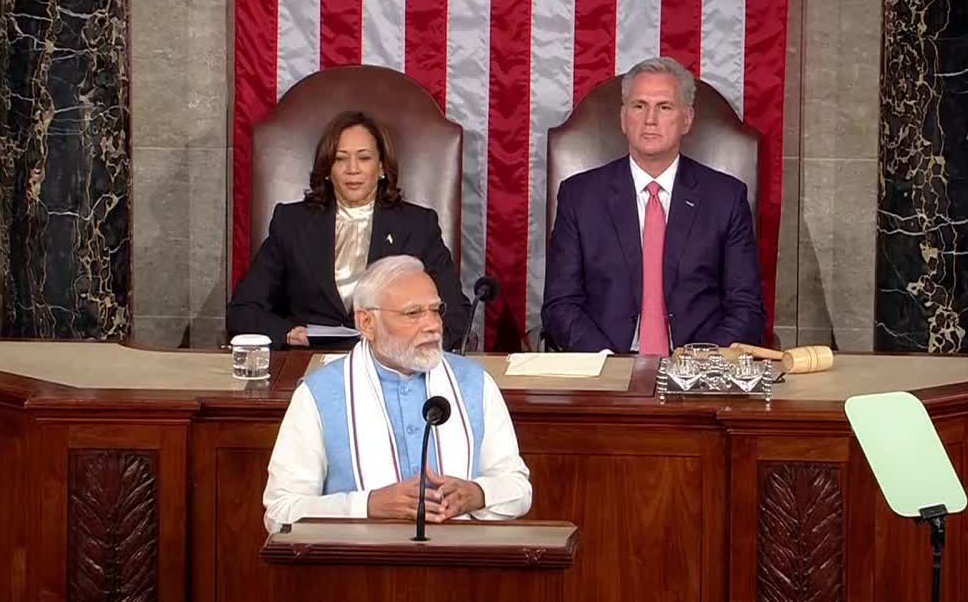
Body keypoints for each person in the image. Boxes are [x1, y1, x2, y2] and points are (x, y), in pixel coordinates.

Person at [261, 255, 532, 533]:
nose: (433, 325)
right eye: (413, 313)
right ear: (367, 323)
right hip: (356, 569)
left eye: (436, 310)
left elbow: (519, 490)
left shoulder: (474, 383)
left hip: (460, 565)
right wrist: (367, 506)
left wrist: (477, 494)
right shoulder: (319, 395)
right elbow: (281, 513)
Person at [541, 56, 766, 354]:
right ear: (623, 118)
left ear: (686, 119)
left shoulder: (725, 198)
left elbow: (746, 308)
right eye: (639, 106)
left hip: (696, 373)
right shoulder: (580, 197)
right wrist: (608, 362)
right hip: (606, 368)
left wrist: (700, 361)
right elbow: (560, 305)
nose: (650, 119)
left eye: (664, 107)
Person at [227, 110, 471, 351]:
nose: (352, 169)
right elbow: (243, 310)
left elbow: (456, 314)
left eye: (364, 158)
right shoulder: (291, 223)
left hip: (394, 363)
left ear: (382, 167)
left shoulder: (418, 225)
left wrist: (409, 344)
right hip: (308, 363)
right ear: (327, 171)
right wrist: (288, 334)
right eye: (340, 158)